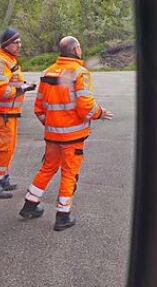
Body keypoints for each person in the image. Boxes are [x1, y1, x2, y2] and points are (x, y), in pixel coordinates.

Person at [18, 35, 113, 229]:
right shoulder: (80, 73)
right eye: (79, 47)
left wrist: (52, 124)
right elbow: (86, 107)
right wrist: (100, 113)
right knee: (69, 173)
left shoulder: (48, 72)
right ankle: (63, 215)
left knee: (48, 168)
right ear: (76, 50)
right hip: (72, 137)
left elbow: (39, 108)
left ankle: (30, 204)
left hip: (52, 136)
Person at [0, 27, 36, 198]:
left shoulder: (8, 59)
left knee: (9, 147)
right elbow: (0, 89)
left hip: (9, 112)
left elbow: (10, 84)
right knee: (3, 148)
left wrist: (23, 86)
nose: (19, 45)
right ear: (7, 44)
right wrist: (21, 89)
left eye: (20, 41)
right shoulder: (1, 61)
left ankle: (2, 178)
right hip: (3, 112)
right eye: (16, 42)